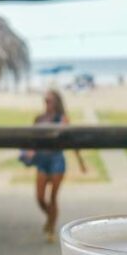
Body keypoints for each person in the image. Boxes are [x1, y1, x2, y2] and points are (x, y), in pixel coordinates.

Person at [27, 90, 85, 240]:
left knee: (53, 197)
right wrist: (31, 151)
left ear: (56, 102)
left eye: (49, 100)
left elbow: (71, 141)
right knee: (39, 198)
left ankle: (51, 228)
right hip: (42, 159)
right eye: (45, 100)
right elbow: (33, 139)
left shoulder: (62, 119)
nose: (46, 103)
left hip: (57, 160)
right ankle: (51, 217)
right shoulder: (39, 119)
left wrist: (81, 162)